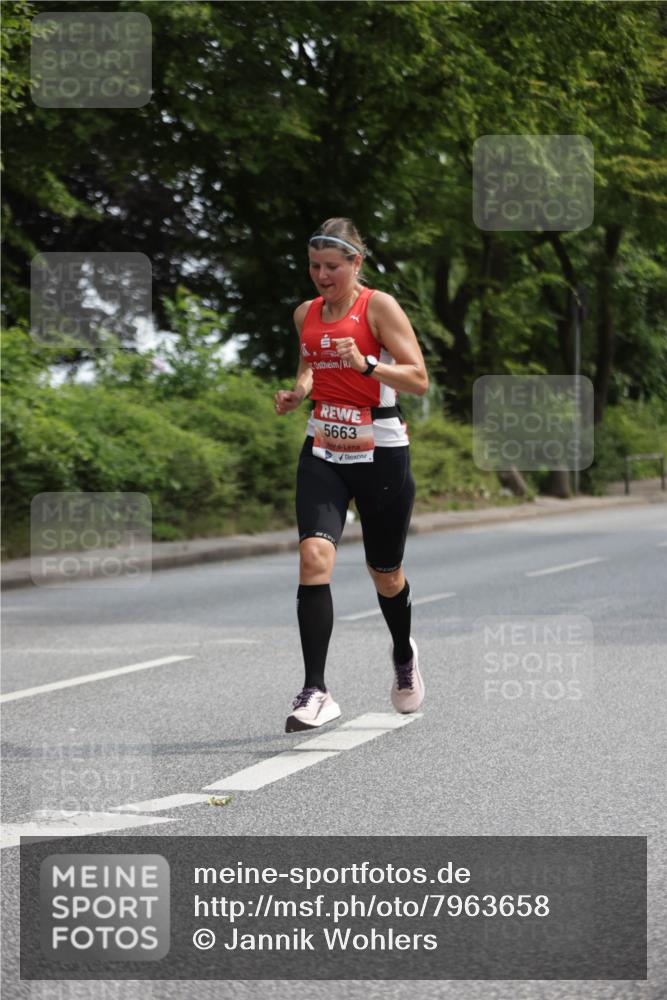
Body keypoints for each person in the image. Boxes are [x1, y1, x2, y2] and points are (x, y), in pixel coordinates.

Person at [274, 218, 428, 733]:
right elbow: (311, 362)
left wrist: (366, 365)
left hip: (380, 451)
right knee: (314, 555)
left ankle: (404, 653)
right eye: (315, 266)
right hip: (322, 446)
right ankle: (316, 690)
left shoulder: (378, 307)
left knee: (385, 573)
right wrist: (299, 391)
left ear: (355, 264)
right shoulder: (305, 314)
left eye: (332, 267)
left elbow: (418, 378)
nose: (321, 275)